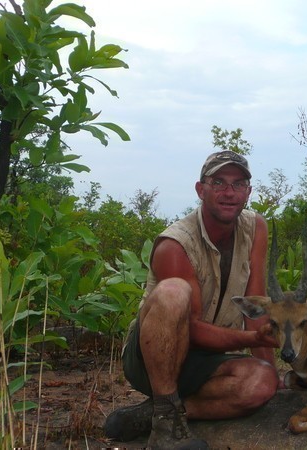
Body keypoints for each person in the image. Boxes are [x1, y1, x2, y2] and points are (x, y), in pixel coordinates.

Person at [104, 150, 281, 449]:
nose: (229, 192)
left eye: (239, 184)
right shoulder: (174, 243)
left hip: (208, 360)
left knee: (262, 384)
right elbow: (193, 330)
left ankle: (156, 414)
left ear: (248, 192)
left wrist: (272, 371)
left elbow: (255, 304)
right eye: (219, 182)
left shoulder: (255, 228)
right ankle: (165, 428)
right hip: (154, 357)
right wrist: (253, 337)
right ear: (201, 190)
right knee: (173, 292)